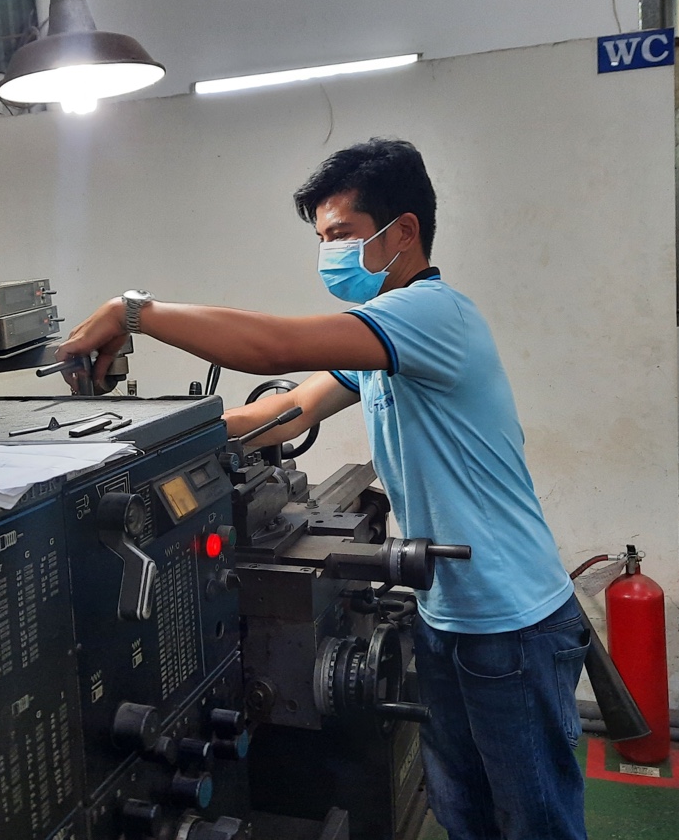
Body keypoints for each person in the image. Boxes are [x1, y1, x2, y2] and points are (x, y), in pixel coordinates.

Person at [56, 137, 589, 840]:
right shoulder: (380, 343)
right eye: (321, 239)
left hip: (510, 625)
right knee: (465, 815)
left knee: (533, 823)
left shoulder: (430, 315)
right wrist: (137, 438)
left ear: (403, 232)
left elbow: (274, 348)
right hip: (449, 615)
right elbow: (287, 411)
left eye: (341, 234)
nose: (329, 253)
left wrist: (133, 313)